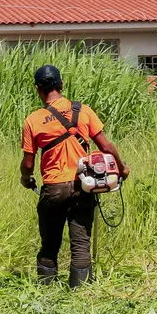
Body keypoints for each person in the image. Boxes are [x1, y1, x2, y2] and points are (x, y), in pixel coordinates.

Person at [20, 65, 130, 287]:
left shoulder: (33, 120)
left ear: (38, 89)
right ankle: (80, 296)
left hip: (53, 189)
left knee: (50, 244)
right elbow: (106, 147)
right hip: (83, 185)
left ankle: (46, 293)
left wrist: (26, 178)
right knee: (81, 243)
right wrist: (121, 168)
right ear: (61, 85)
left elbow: (28, 162)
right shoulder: (84, 111)